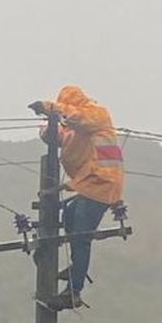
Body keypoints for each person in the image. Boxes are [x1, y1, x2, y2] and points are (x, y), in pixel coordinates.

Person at [29, 86, 124, 310]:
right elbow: (63, 133)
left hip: (102, 184)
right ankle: (76, 268)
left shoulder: (96, 115)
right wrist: (48, 128)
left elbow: (76, 117)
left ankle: (74, 291)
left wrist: (49, 108)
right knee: (70, 219)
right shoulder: (78, 131)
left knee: (81, 235)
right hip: (91, 184)